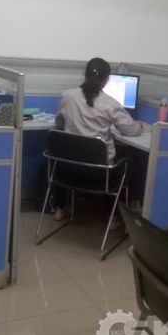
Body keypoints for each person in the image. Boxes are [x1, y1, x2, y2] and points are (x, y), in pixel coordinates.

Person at [53, 57, 142, 221]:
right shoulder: (111, 104)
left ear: (85, 74)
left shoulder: (67, 97)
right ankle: (114, 216)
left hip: (68, 170)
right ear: (106, 80)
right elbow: (131, 130)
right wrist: (138, 125)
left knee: (71, 154)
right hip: (99, 174)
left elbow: (58, 123)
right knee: (129, 158)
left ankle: (60, 208)